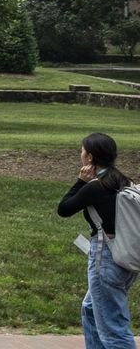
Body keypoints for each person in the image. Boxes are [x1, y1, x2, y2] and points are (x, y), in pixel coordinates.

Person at [62, 131, 136, 349]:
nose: (81, 154)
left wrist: (79, 182)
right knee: (91, 309)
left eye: (83, 150)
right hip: (126, 256)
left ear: (90, 157)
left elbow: (64, 209)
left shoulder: (96, 186)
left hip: (105, 257)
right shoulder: (124, 181)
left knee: (114, 329)